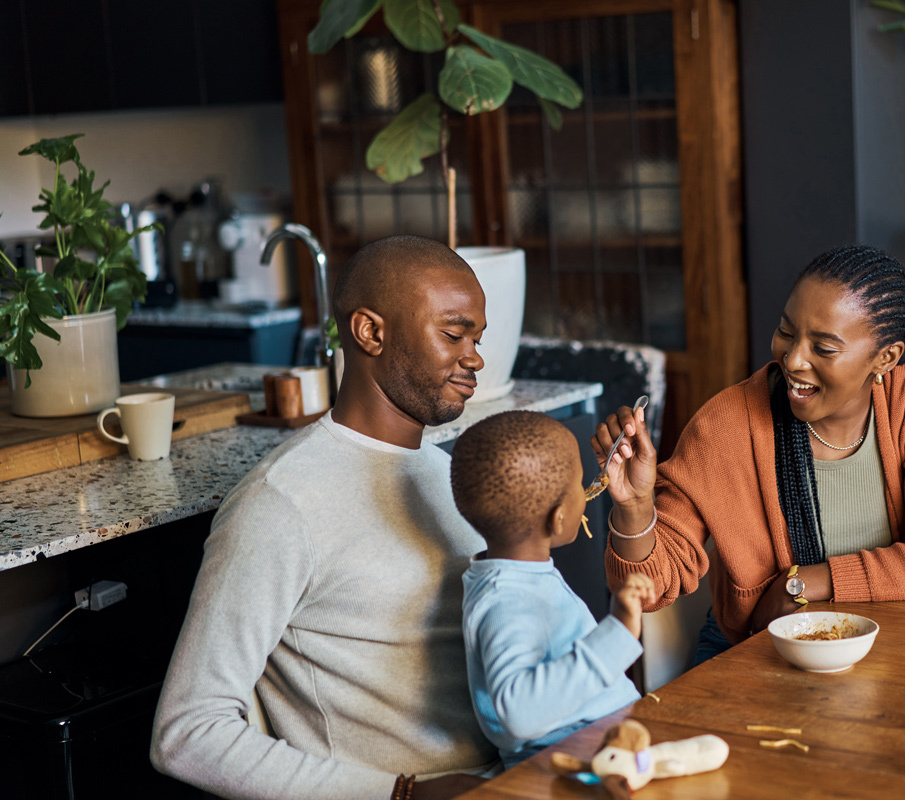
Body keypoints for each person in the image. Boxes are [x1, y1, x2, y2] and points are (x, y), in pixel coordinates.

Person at [152, 235, 498, 800]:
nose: (475, 356)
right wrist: (404, 794)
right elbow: (187, 734)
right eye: (454, 333)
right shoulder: (280, 503)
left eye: (477, 337)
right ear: (370, 332)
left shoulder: (447, 472)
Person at [593, 244, 905, 658]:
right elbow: (645, 591)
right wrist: (636, 505)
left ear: (886, 358)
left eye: (824, 348)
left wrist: (799, 583)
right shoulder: (727, 425)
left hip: (890, 641)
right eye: (786, 331)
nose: (793, 359)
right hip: (758, 649)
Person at [449, 410, 654, 768]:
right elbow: (520, 713)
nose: (585, 490)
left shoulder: (515, 578)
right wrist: (618, 632)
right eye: (578, 484)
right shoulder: (507, 601)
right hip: (567, 763)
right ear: (558, 517)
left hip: (601, 743)